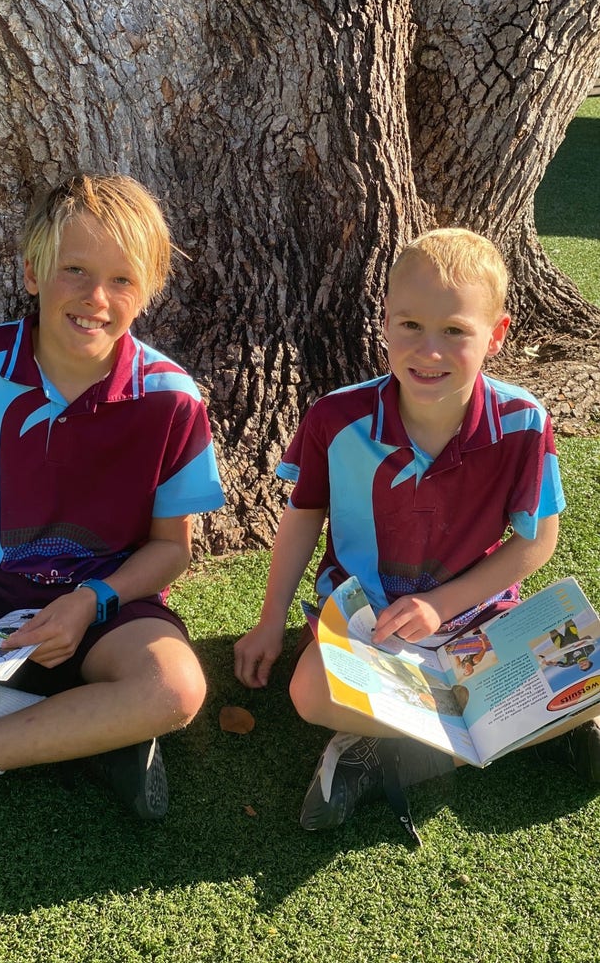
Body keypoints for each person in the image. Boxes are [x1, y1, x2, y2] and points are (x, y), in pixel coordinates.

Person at [0, 172, 225, 826]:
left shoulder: (173, 398)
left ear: (149, 291)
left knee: (176, 688)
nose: (95, 297)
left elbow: (170, 550)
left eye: (121, 280)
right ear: (32, 273)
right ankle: (87, 732)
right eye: (74, 270)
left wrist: (91, 600)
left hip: (108, 602)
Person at [234, 227, 600, 840]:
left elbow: (536, 542)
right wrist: (270, 619)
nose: (428, 350)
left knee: (587, 667)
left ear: (496, 334)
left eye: (455, 330)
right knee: (309, 693)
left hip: (475, 621)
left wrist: (440, 605)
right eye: (409, 325)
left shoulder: (523, 422)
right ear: (383, 323)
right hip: (365, 626)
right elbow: (302, 518)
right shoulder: (336, 417)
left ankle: (385, 751)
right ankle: (516, 729)